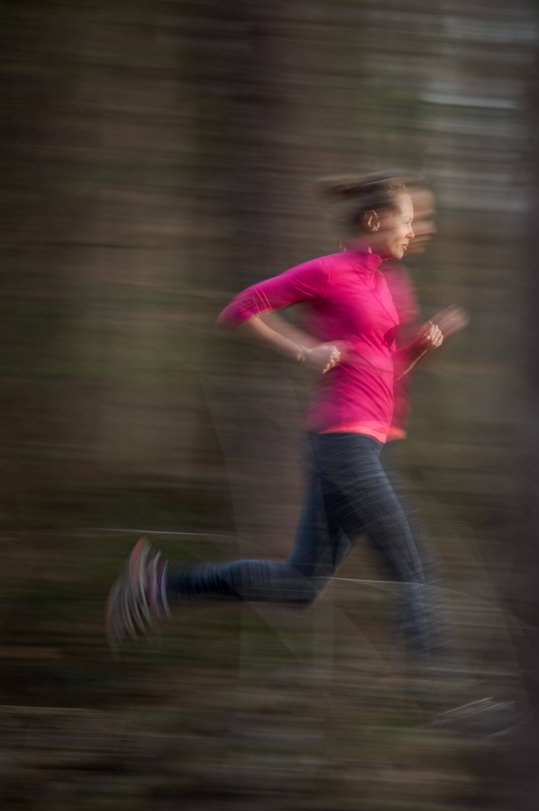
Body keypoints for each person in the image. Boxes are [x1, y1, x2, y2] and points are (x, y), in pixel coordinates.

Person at [106, 171, 468, 667]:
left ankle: (157, 585)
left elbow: (390, 366)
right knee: (414, 569)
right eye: (407, 221)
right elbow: (240, 308)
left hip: (361, 444)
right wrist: (305, 350)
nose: (415, 230)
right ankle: (446, 703)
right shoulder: (329, 270)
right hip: (346, 444)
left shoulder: (390, 283)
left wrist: (421, 346)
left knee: (300, 586)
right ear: (375, 220)